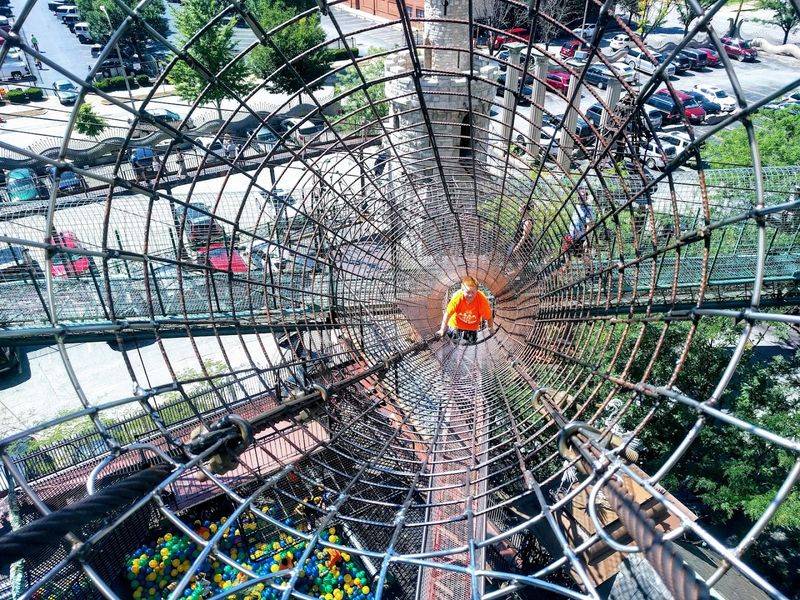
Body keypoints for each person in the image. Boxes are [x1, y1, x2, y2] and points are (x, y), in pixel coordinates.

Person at [438, 276, 495, 344]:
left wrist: (490, 329)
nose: (470, 295)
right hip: (456, 323)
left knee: (471, 342)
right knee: (454, 340)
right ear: (462, 290)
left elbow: (489, 316)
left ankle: (469, 338)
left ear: (477, 291)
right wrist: (442, 330)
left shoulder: (481, 299)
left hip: (472, 325)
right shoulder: (457, 297)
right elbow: (447, 314)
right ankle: (455, 338)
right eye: (468, 292)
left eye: (473, 292)